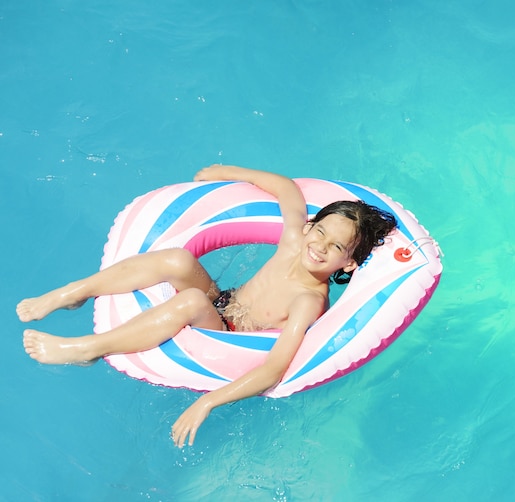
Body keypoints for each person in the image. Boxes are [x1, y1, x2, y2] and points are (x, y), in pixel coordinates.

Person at [17, 165, 397, 447]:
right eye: (320, 232)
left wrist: (208, 403)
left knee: (192, 301)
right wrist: (226, 171)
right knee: (178, 261)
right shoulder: (294, 242)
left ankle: (86, 349)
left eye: (335, 248)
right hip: (225, 303)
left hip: (227, 335)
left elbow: (273, 370)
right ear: (310, 227)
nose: (320, 247)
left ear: (348, 264)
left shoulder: (309, 301)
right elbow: (287, 190)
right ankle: (74, 292)